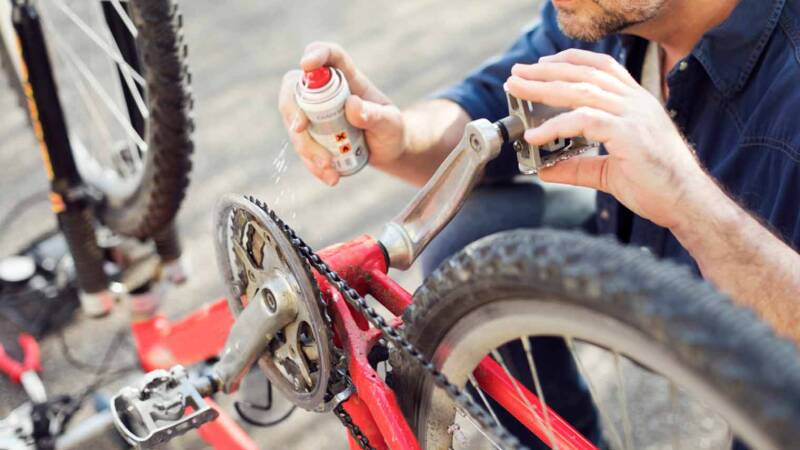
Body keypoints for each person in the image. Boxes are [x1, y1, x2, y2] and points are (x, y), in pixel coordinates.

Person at [279, 0, 800, 446]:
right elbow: (486, 110)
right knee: (476, 240)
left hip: (774, 329)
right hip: (651, 263)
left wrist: (688, 199)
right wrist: (396, 134)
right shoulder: (611, 14)